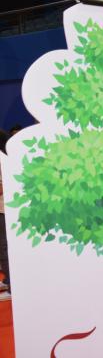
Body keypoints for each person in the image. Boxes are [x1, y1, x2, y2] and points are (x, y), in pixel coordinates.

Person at [0, 129, 10, 301]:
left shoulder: (5, 159)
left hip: (4, 209)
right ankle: (7, 279)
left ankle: (13, 285)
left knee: (4, 247)